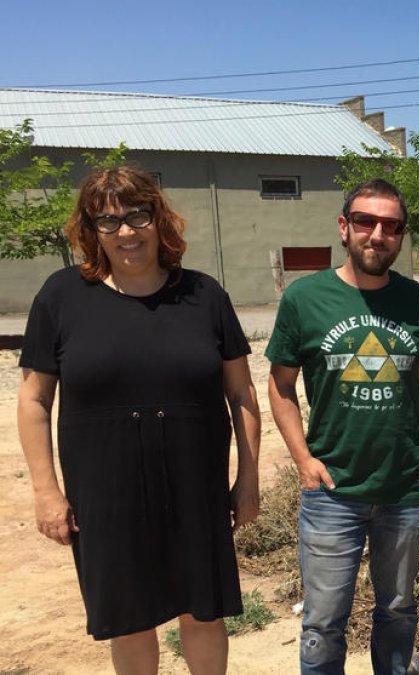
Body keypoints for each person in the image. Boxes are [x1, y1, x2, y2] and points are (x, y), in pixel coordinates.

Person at [16, 166, 261, 674]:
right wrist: (46, 490)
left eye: (137, 216)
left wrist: (249, 479)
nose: (125, 232)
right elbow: (34, 401)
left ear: (159, 219)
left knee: (204, 612)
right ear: (90, 229)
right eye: (107, 221)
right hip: (106, 491)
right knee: (129, 619)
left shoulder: (203, 295)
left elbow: (241, 393)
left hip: (195, 483)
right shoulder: (60, 297)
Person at [266, 179, 419, 674]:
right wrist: (304, 460)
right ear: (345, 227)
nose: (377, 234)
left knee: (399, 611)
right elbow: (280, 388)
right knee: (323, 623)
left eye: (391, 226)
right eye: (366, 221)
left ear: (402, 236)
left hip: (404, 488)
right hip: (332, 490)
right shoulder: (304, 298)